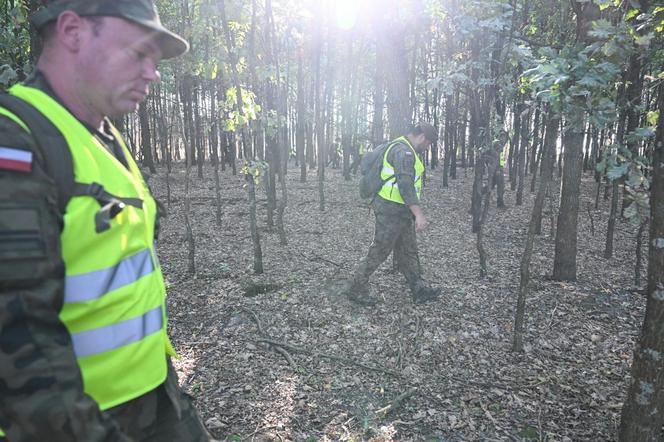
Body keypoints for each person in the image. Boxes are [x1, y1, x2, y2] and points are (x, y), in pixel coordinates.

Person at [0, 1, 214, 441]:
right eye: (138, 53)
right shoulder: (15, 143)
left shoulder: (102, 132)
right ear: (74, 31)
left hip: (156, 395)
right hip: (78, 419)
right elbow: (16, 339)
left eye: (156, 60)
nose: (153, 73)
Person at [345, 122, 442, 306]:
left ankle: (418, 288)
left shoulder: (401, 145)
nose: (427, 147)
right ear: (422, 137)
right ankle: (356, 288)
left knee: (408, 249)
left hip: (400, 210)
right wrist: (419, 214)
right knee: (380, 249)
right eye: (428, 143)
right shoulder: (403, 152)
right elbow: (405, 185)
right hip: (391, 210)